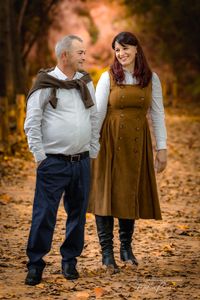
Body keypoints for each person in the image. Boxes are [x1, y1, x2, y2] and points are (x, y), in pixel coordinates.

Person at [88, 32, 167, 272]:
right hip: (109, 143)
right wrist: (92, 146)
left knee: (128, 192)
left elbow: (157, 115)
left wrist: (161, 148)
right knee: (105, 194)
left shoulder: (151, 79)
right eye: (117, 50)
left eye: (124, 49)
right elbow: (99, 114)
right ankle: (107, 253)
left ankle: (126, 248)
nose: (121, 54)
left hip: (136, 144)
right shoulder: (107, 77)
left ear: (136, 50)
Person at [24, 35, 100, 285]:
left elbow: (94, 118)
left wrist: (93, 150)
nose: (84, 56)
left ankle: (70, 261)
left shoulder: (85, 82)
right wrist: (40, 157)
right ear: (64, 55)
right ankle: (35, 264)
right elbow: (32, 122)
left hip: (81, 162)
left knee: (77, 214)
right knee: (44, 214)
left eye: (84, 52)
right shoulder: (46, 83)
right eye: (80, 52)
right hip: (53, 163)